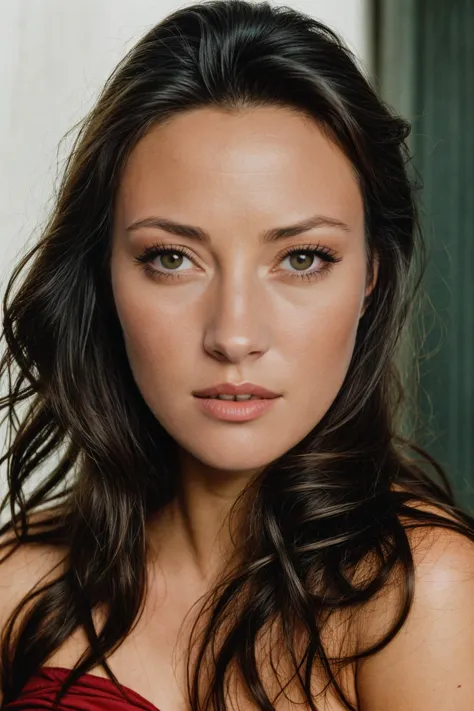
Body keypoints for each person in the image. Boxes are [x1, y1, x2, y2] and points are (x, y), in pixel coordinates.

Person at [1, 1, 473, 709]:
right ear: (103, 273)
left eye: (303, 257)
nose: (234, 333)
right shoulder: (18, 585)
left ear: (371, 274)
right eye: (172, 258)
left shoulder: (423, 597)